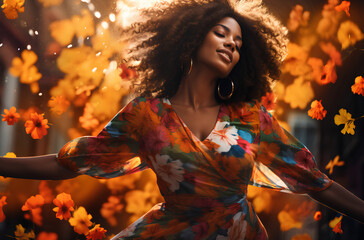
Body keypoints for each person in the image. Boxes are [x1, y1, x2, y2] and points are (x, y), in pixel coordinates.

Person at [1, 0, 364, 239]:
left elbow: (317, 183)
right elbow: (70, 162)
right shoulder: (146, 114)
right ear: (190, 40)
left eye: (238, 43)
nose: (230, 45)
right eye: (220, 33)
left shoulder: (253, 119)